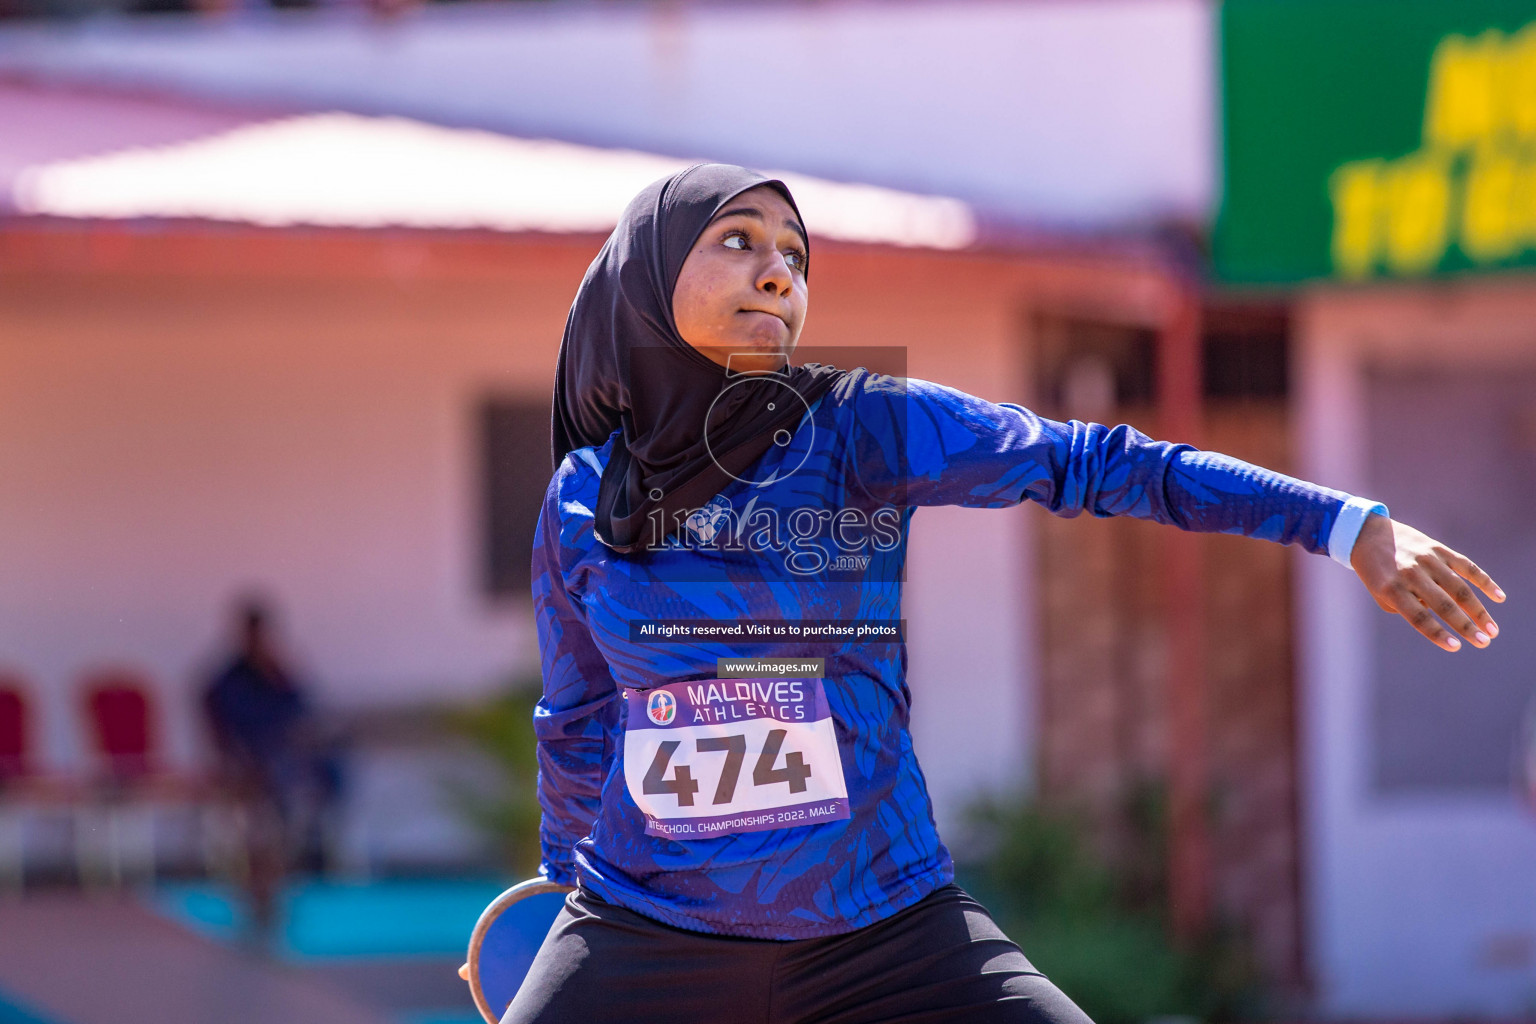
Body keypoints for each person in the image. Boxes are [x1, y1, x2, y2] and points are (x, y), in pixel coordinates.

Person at [516, 164, 1505, 1023]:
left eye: (795, 254)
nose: (780, 271)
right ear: (647, 272)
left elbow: (1098, 460)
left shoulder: (859, 427)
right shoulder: (578, 499)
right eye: (738, 240)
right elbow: (578, 725)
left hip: (884, 932)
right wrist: (560, 896)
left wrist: (1344, 524)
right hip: (649, 931)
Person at [203, 595, 342, 939]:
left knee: (323, 778)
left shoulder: (277, 675)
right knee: (262, 818)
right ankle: (258, 893)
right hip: (248, 771)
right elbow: (225, 735)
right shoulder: (226, 681)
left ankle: (280, 887)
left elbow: (301, 716)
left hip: (282, 768)